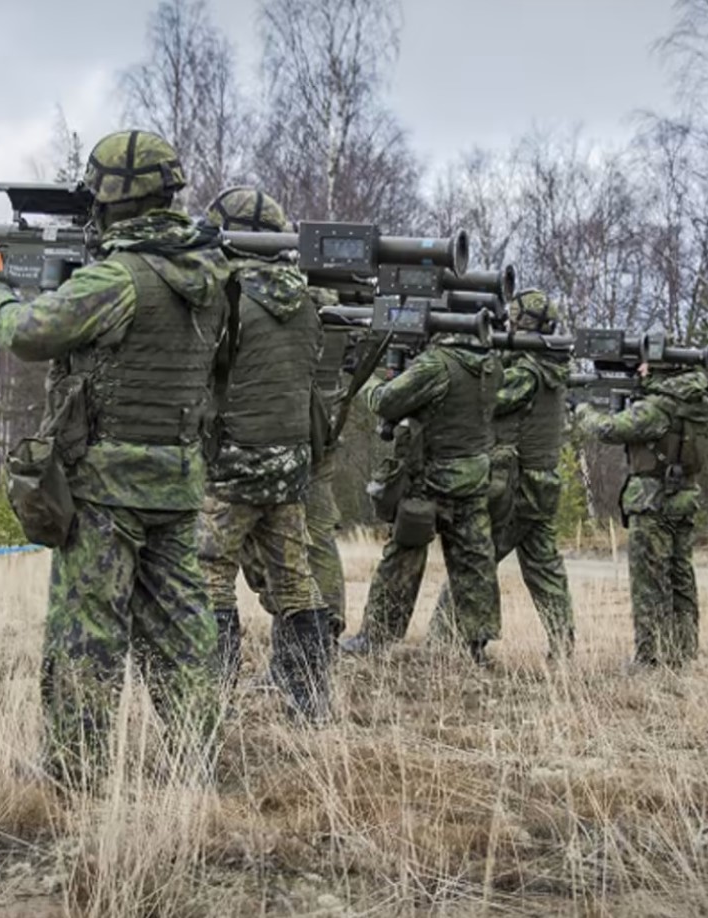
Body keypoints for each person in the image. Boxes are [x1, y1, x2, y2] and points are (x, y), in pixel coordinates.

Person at [0, 129, 228, 783]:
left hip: (109, 489)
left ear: (111, 200)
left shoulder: (120, 278)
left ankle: (74, 776)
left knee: (89, 634)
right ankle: (202, 762)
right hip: (176, 481)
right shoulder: (212, 276)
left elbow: (29, 334)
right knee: (183, 632)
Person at [197, 186, 333, 723]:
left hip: (231, 467)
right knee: (295, 580)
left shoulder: (223, 296)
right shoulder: (308, 301)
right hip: (289, 468)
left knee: (209, 575)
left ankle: (211, 697)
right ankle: (310, 703)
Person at [341, 332, 504, 664]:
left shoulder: (438, 365)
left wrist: (365, 377)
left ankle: (375, 638)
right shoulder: (490, 365)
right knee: (474, 562)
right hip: (473, 476)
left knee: (402, 559)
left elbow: (385, 402)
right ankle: (476, 643)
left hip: (430, 481)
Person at [431, 290, 575, 659]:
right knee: (544, 568)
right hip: (541, 482)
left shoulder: (527, 372)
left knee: (475, 557)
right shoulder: (551, 368)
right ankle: (562, 644)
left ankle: (452, 640)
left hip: (517, 484)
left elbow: (489, 399)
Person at [574, 359, 708, 667]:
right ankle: (683, 652)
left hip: (652, 501)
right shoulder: (694, 404)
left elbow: (609, 429)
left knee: (649, 581)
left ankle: (649, 657)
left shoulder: (656, 409)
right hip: (683, 498)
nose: (640, 370)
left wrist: (582, 410)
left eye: (646, 366)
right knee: (680, 577)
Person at [240, 285, 348, 643]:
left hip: (274, 440)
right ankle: (320, 634)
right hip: (311, 436)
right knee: (310, 543)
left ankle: (310, 636)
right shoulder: (318, 312)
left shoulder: (254, 301)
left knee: (286, 552)